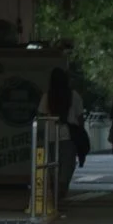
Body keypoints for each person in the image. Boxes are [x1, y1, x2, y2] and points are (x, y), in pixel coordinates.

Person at [38, 67, 83, 198]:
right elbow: (80, 116)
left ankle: (54, 184)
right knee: (67, 163)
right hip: (69, 134)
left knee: (52, 162)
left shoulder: (47, 96)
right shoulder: (73, 95)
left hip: (51, 135)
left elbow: (41, 114)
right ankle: (62, 185)